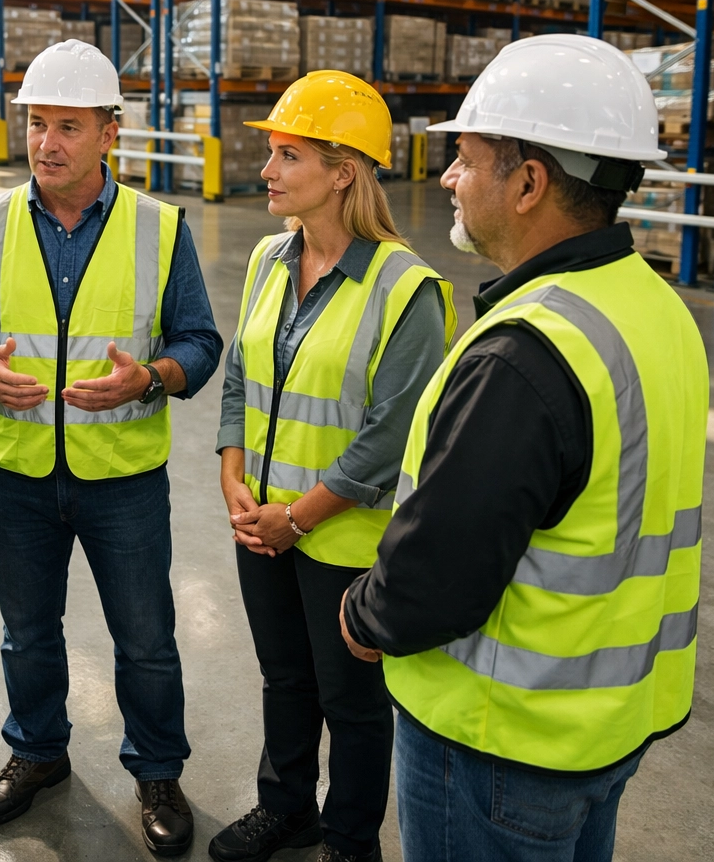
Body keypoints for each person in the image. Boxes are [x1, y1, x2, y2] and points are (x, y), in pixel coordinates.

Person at [340, 34, 709, 862]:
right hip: (607, 728)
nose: (448, 179)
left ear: (530, 180)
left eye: (466, 160)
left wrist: (364, 615)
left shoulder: (528, 350)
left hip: (499, 741)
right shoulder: (655, 307)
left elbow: (440, 573)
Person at [0, 39, 224, 855]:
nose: (47, 143)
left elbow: (200, 341)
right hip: (17, 471)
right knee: (26, 631)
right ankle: (36, 753)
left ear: (109, 134)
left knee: (146, 637)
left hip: (121, 474)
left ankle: (157, 771)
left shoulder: (160, 229)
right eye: (36, 124)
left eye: (68, 125)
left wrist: (152, 378)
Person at [208, 72, 455, 862]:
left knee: (351, 703)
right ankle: (286, 807)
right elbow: (245, 377)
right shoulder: (267, 260)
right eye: (272, 155)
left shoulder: (405, 287)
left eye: (288, 155)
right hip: (262, 523)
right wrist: (233, 476)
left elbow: (392, 435)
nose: (269, 171)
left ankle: (350, 839)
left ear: (343, 170)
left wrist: (298, 517)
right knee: (285, 680)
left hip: (344, 539)